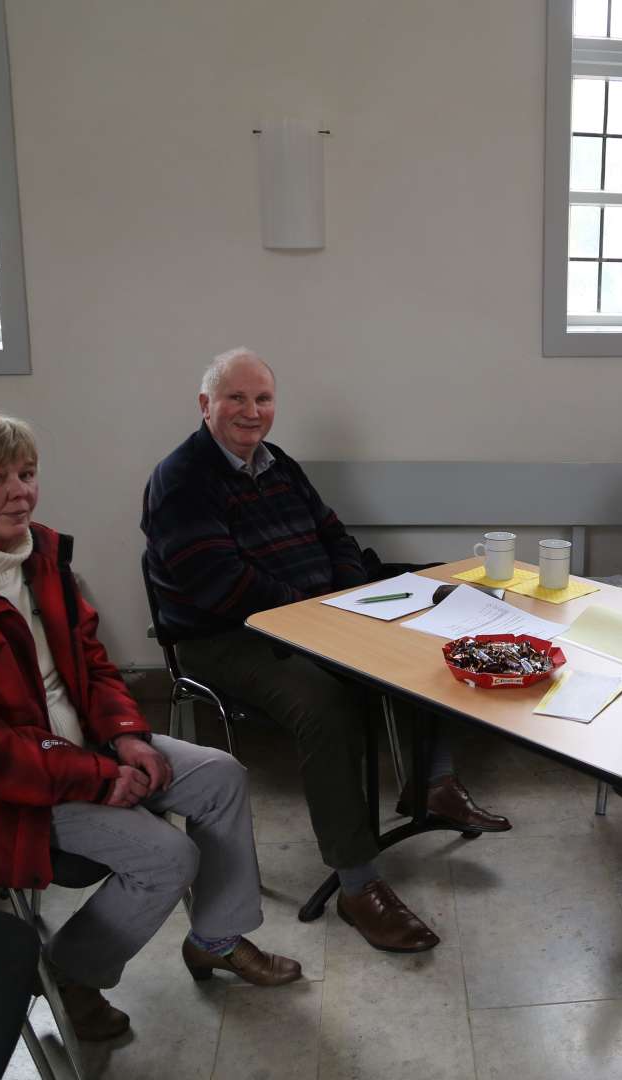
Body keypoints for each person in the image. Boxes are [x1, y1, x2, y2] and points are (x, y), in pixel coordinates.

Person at [0, 407, 299, 1045]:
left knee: (220, 775)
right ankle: (71, 975)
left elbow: (91, 660)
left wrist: (124, 734)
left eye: (27, 473)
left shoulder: (38, 553)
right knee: (166, 857)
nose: (20, 492)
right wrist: (96, 774)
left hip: (74, 749)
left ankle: (216, 939)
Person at [141, 347, 510, 955]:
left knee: (433, 624)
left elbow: (333, 534)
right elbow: (221, 584)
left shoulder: (277, 463)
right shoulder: (180, 479)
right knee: (325, 700)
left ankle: (433, 784)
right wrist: (315, 613)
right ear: (206, 405)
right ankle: (357, 884)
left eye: (262, 399)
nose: (251, 411)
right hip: (226, 635)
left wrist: (342, 593)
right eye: (235, 398)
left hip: (312, 611)